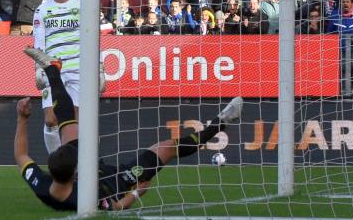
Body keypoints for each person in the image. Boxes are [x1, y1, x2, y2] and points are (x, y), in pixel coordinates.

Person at [15, 47, 244, 211]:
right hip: (119, 181)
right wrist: (136, 192)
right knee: (166, 148)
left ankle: (53, 70)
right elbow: (115, 207)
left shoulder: (43, 185)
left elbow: (21, 156)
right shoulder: (82, 202)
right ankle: (223, 121)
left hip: (94, 169)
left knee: (66, 122)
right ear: (75, 168)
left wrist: (21, 118)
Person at [32, 0, 81, 154]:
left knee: (75, 120)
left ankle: (76, 168)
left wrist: (99, 68)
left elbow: (93, 38)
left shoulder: (81, 6)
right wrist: (38, 68)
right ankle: (57, 163)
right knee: (50, 119)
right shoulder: (42, 10)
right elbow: (39, 42)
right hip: (53, 70)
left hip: (78, 69)